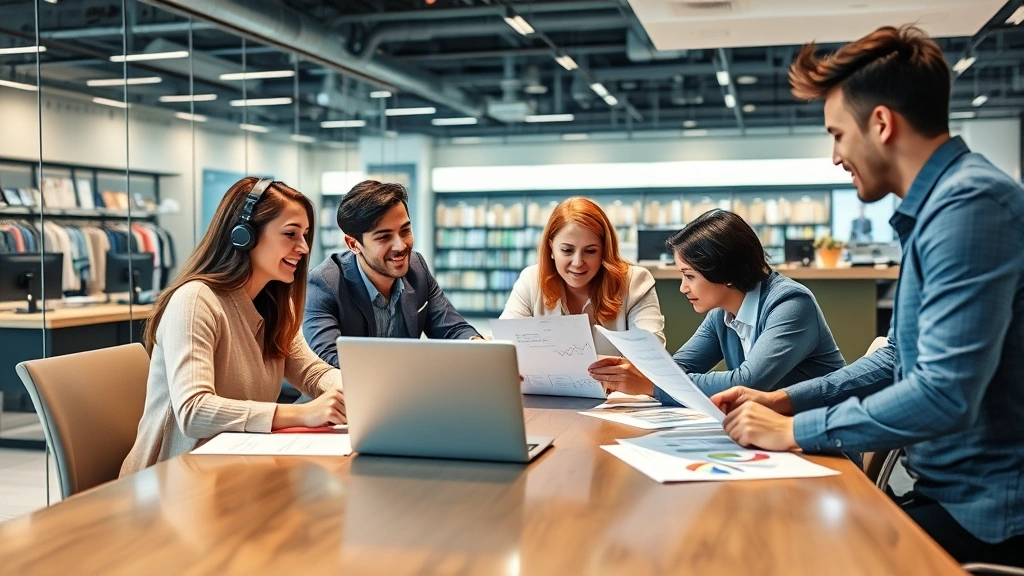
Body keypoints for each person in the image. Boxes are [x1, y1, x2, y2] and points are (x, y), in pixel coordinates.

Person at [711, 25, 1024, 567]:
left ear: (881, 123)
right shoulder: (936, 210)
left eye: (837, 134)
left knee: (785, 553)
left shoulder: (970, 206)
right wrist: (784, 400)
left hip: (985, 514)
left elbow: (944, 394)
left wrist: (792, 430)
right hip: (944, 494)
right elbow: (901, 359)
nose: (835, 155)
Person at [121, 177, 345, 476]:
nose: (303, 247)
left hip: (234, 468)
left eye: (305, 235)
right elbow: (194, 410)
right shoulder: (195, 300)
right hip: (171, 479)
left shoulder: (274, 304)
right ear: (244, 236)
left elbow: (312, 373)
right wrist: (303, 413)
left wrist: (350, 390)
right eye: (291, 234)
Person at [589, 209, 845, 398]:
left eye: (689, 276)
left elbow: (749, 382)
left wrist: (653, 385)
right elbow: (678, 368)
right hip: (771, 435)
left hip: (821, 446)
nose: (682, 287)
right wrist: (635, 370)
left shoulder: (791, 304)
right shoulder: (723, 314)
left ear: (725, 272)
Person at [304, 180, 480, 367]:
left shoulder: (417, 268)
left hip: (407, 390)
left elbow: (452, 329)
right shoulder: (323, 283)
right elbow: (329, 359)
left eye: (405, 231)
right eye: (384, 237)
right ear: (353, 244)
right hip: (348, 393)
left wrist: (480, 348)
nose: (401, 245)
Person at [500, 196, 665, 352]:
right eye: (567, 250)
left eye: (590, 251)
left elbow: (651, 349)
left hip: (612, 383)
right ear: (551, 248)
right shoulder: (531, 280)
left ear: (604, 251)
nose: (578, 262)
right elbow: (504, 344)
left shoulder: (634, 282)